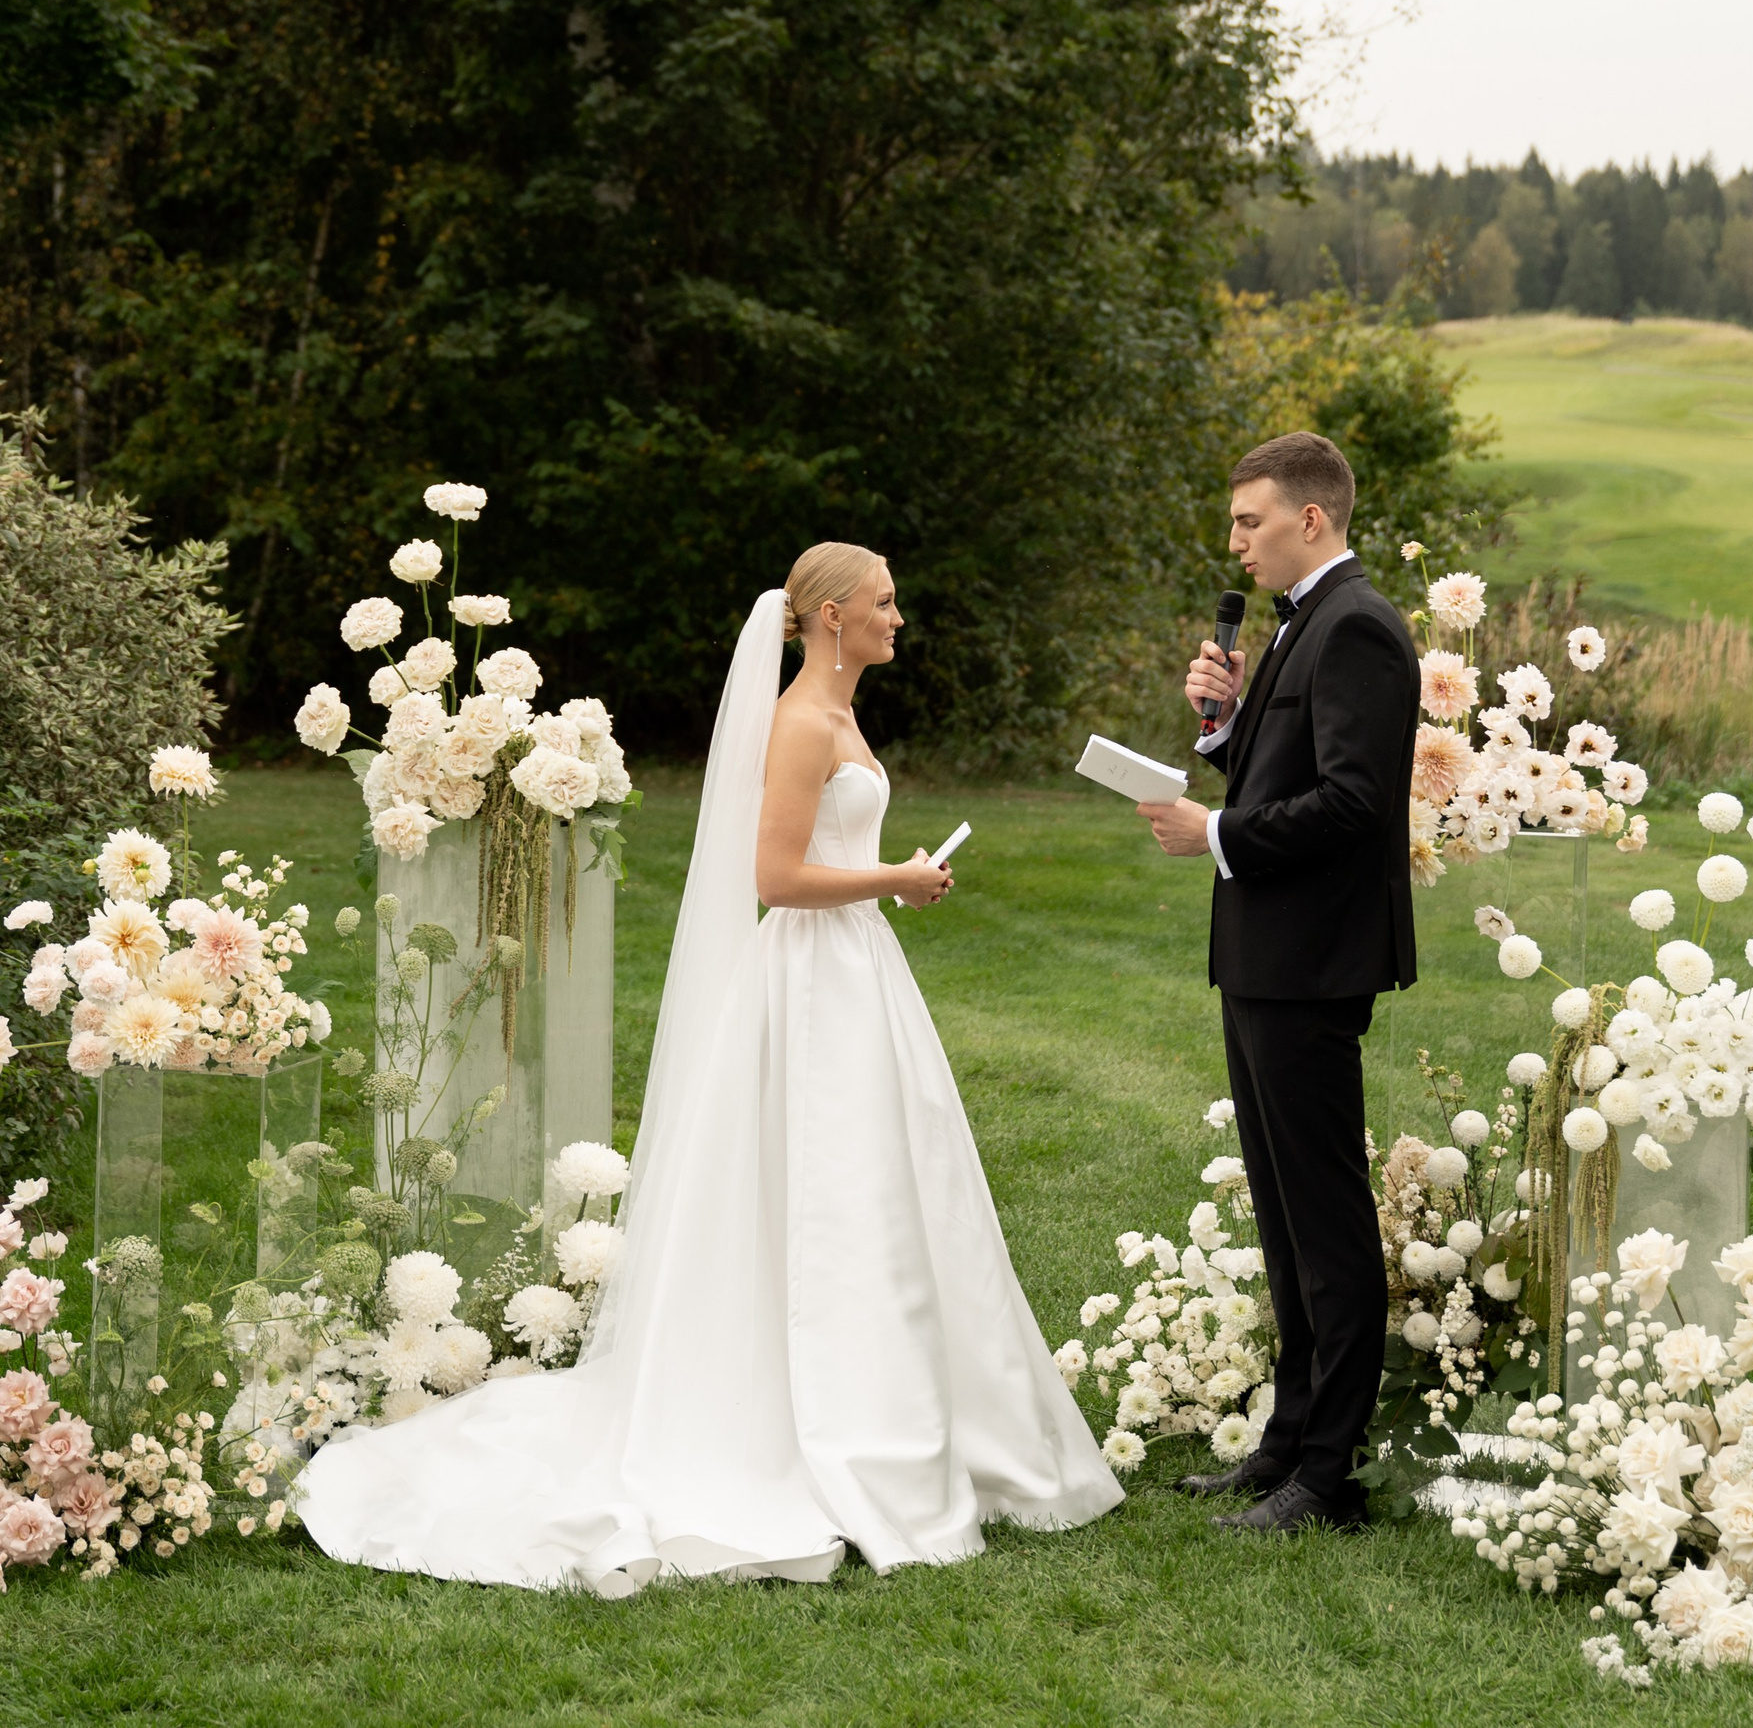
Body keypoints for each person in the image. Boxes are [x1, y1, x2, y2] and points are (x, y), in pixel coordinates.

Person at [299, 542, 1120, 1589]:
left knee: (885, 1188)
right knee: (826, 1183)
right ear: (832, 617)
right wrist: (895, 878)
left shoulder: (841, 713)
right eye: (883, 603)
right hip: (815, 980)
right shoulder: (804, 722)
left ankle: (909, 1404)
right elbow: (774, 877)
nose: (898, 618)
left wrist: (887, 881)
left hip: (858, 971)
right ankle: (823, 1419)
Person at [1136, 433, 1419, 1539]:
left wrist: (1212, 832)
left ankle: (1330, 1474)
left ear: (1311, 518)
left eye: (1249, 520)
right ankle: (1287, 1441)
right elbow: (1284, 767)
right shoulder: (1304, 624)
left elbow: (1353, 801)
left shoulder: (1359, 626)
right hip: (1264, 955)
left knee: (1327, 1221)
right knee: (1285, 1214)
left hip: (1312, 960)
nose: (1236, 542)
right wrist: (1224, 727)